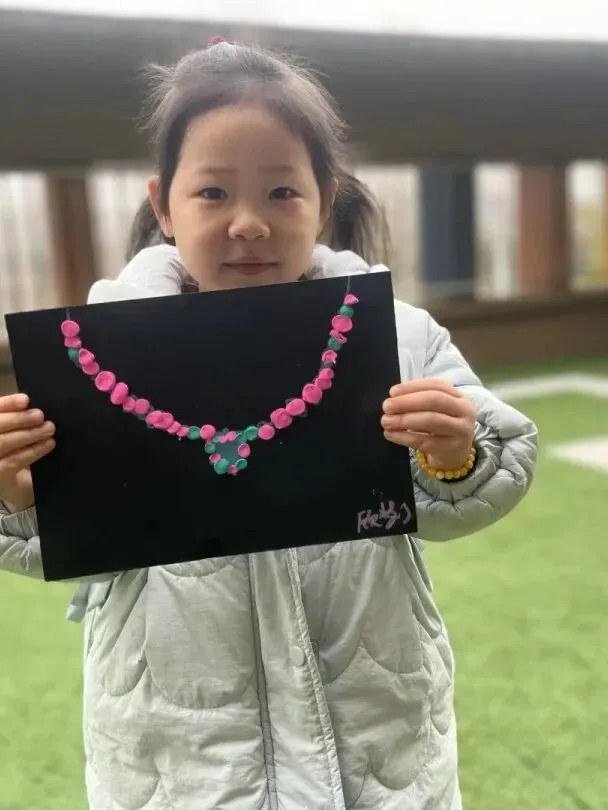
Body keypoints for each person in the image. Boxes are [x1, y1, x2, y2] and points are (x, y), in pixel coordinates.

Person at [0, 38, 538, 810]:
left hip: (374, 736)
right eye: (213, 192)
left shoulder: (396, 335)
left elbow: (490, 464)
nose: (249, 223)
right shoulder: (98, 355)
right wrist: (20, 495)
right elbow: (79, 547)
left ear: (325, 199)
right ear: (164, 205)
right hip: (182, 754)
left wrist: (454, 455)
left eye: (282, 191)